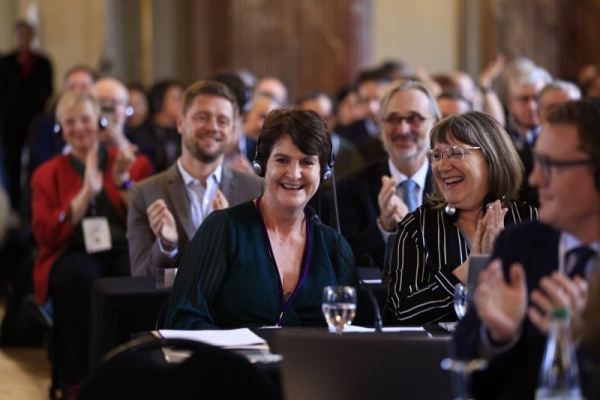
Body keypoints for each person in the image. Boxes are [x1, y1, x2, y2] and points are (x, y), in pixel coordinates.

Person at [452, 99, 600, 399]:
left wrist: (581, 345)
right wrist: (498, 336)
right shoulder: (520, 244)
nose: (535, 179)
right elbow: (463, 353)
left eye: (552, 166)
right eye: (538, 162)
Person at [164, 108, 357, 330]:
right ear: (262, 165)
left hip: (314, 365)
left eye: (307, 162)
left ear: (324, 172)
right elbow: (184, 317)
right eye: (282, 160)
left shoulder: (335, 247)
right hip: (235, 363)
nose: (294, 174)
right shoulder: (223, 228)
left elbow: (355, 331)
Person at [29, 91, 152, 397]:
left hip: (122, 246)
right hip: (71, 249)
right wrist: (84, 195)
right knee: (77, 278)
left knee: (133, 276)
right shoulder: (46, 174)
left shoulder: (128, 161)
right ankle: (77, 380)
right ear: (61, 129)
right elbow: (44, 233)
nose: (79, 127)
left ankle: (132, 374)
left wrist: (122, 179)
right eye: (70, 122)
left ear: (98, 121)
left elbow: (145, 219)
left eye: (85, 119)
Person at [384, 111, 537, 326]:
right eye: (437, 156)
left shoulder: (529, 220)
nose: (443, 167)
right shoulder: (417, 227)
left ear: (491, 156)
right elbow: (400, 314)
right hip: (437, 356)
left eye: (456, 153)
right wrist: (468, 270)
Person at [127, 79, 265, 277]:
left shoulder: (256, 190)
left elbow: (263, 273)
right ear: (181, 122)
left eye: (223, 121)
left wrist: (232, 237)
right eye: (202, 117)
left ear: (233, 130)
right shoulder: (145, 193)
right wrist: (167, 247)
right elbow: (139, 280)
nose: (213, 127)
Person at [336, 79, 439, 269]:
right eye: (393, 119)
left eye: (414, 118)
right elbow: (343, 264)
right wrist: (383, 227)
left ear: (435, 123)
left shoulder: (450, 185)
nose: (403, 129)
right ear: (381, 125)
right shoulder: (350, 188)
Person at [0, 20, 53, 211]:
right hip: (10, 120)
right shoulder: (5, 62)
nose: (23, 38)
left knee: (36, 159)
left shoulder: (42, 62)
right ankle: (15, 204)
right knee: (11, 162)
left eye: (26, 34)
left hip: (33, 119)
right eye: (20, 34)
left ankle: (32, 202)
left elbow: (48, 91)